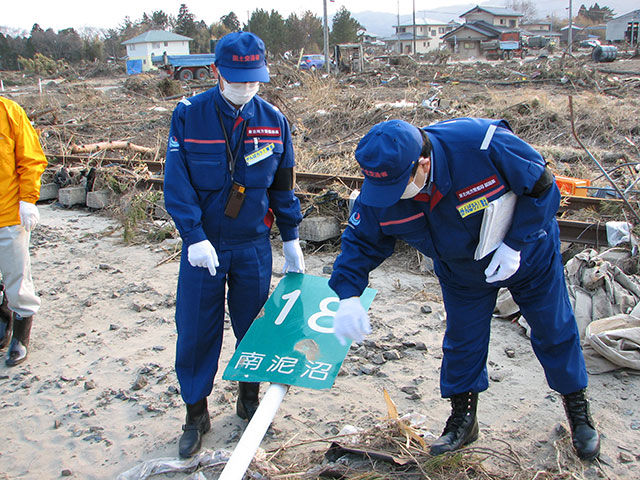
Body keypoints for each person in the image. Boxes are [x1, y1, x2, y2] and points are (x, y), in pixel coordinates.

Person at [328, 118, 600, 460]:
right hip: (461, 269)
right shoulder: (382, 187)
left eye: (399, 186)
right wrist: (348, 294)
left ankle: (579, 414)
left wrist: (515, 244)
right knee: (462, 342)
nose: (392, 197)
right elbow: (361, 243)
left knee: (553, 329)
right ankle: (463, 420)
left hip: (527, 255)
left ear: (423, 165)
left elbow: (543, 188)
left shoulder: (483, 145)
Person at [164, 31, 305, 458]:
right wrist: (193, 236)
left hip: (252, 244)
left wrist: (293, 238)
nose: (246, 88)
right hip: (203, 249)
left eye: (253, 80)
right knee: (195, 330)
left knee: (254, 327)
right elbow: (177, 182)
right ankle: (195, 413)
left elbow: (282, 186)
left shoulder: (274, 121)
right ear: (216, 73)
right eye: (237, 80)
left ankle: (248, 396)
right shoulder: (189, 115)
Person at [0, 96, 47, 366]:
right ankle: (2, 321)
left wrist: (28, 200)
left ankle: (20, 335)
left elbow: (30, 158)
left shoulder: (9, 113)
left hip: (7, 213)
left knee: (17, 277)